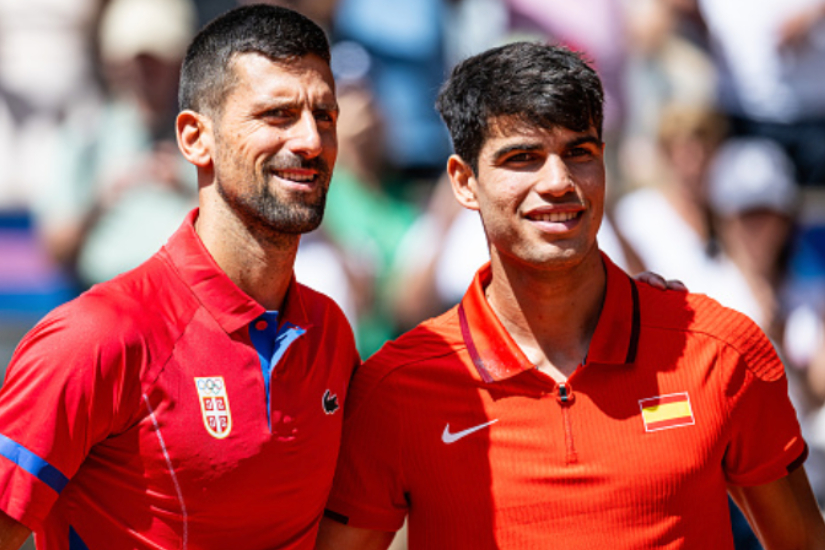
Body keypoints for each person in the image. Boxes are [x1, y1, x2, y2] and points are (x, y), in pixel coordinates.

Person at [315, 41, 825, 549]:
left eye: (579, 152)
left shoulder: (720, 349)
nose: (558, 181)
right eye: (523, 158)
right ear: (464, 182)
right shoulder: (396, 389)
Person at [0, 4, 359, 549]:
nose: (311, 140)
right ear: (195, 138)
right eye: (278, 115)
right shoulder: (96, 338)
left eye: (325, 116)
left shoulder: (329, 332)